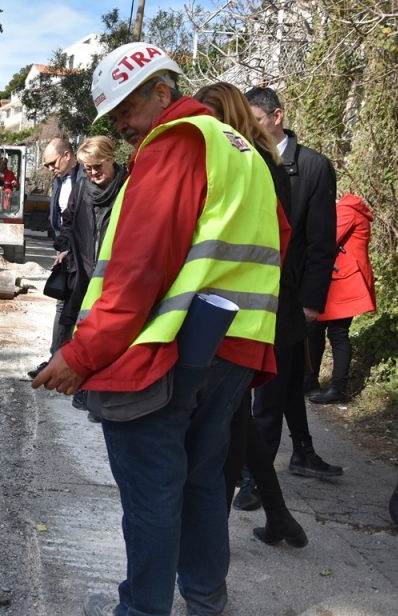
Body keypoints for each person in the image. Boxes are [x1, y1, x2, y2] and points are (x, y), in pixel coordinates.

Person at [33, 42, 284, 616]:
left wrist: (82, 354)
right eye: (113, 114)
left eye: (127, 107)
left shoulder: (176, 143)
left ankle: (142, 610)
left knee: (152, 497)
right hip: (233, 349)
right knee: (201, 485)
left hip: (170, 353)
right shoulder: (243, 149)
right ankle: (204, 602)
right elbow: (276, 247)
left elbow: (139, 266)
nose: (121, 123)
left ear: (163, 93)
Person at [194, 82, 307, 548]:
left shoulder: (246, 163)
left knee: (226, 434)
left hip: (251, 315)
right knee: (235, 421)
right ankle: (279, 516)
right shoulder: (264, 160)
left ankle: (210, 548)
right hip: (261, 312)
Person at [245, 86, 342, 480]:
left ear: (277, 117)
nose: (251, 130)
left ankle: (254, 479)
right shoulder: (247, 160)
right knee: (280, 381)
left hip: (289, 298)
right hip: (252, 293)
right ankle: (302, 451)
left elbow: (321, 242)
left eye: (257, 121)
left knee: (269, 392)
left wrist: (311, 302)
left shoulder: (314, 168)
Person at [59, 136, 127, 418]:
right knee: (85, 333)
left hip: (117, 275)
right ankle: (86, 392)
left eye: (97, 166)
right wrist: (65, 249)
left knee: (111, 337)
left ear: (110, 158)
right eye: (86, 168)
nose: (92, 173)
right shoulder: (81, 187)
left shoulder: (128, 185)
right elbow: (68, 219)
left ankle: (104, 397)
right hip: (86, 274)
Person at [307, 192, 376, 404]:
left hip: (346, 282)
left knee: (337, 333)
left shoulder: (346, 210)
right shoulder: (348, 209)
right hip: (339, 281)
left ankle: (337, 389)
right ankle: (310, 382)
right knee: (315, 329)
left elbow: (326, 239)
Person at [30, 138, 83, 375]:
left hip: (82, 251)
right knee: (62, 303)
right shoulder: (58, 180)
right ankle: (56, 360)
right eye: (47, 165)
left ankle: (76, 364)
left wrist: (72, 248)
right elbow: (60, 218)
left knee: (80, 308)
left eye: (52, 163)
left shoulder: (86, 179)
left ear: (67, 155)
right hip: (64, 247)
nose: (50, 168)